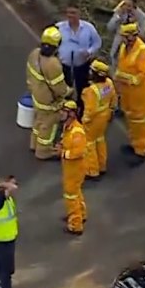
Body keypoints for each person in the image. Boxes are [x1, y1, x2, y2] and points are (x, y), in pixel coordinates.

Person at [27, 26, 72, 160]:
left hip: (36, 95)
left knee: (38, 121)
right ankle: (43, 151)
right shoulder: (53, 64)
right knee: (48, 126)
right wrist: (69, 91)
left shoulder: (34, 54)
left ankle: (34, 143)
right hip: (49, 102)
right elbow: (59, 88)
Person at [114, 23, 145, 166]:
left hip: (139, 93)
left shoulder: (142, 51)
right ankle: (134, 144)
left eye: (124, 37)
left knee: (139, 121)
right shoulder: (125, 48)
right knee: (130, 117)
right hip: (127, 91)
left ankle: (141, 151)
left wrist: (126, 78)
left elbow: (143, 74)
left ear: (132, 36)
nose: (122, 39)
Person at [56, 4, 102, 109]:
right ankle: (66, 109)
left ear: (79, 14)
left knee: (82, 88)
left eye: (73, 13)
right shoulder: (59, 27)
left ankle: (81, 109)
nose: (70, 16)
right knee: (65, 89)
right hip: (64, 65)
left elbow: (97, 43)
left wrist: (89, 51)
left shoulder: (88, 28)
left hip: (81, 65)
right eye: (68, 13)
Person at [82, 60, 118, 180]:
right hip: (105, 116)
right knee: (100, 139)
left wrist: (84, 120)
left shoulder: (91, 90)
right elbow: (114, 99)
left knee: (89, 143)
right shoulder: (109, 83)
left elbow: (90, 110)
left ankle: (92, 170)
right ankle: (102, 166)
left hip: (93, 120)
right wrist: (112, 111)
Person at [57, 100, 88, 235]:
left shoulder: (77, 132)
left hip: (75, 168)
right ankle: (80, 214)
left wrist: (63, 153)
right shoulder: (67, 127)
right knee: (76, 193)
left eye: (64, 112)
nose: (61, 114)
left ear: (71, 114)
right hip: (70, 167)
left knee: (71, 195)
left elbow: (78, 152)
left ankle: (75, 225)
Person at [107, 0, 145, 77]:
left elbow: (142, 34)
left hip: (132, 44)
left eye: (129, 5)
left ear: (134, 5)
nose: (127, 8)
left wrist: (134, 27)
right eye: (125, 4)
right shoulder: (120, 13)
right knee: (114, 60)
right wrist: (117, 17)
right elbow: (110, 28)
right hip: (118, 42)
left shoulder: (142, 16)